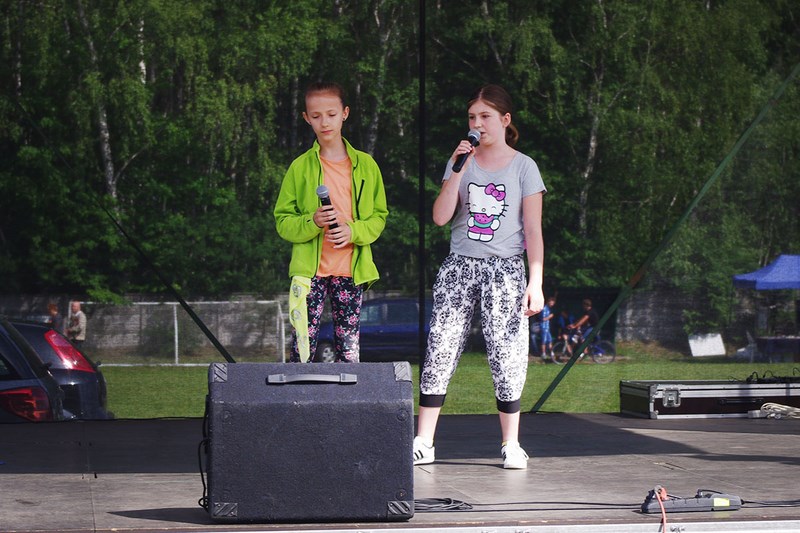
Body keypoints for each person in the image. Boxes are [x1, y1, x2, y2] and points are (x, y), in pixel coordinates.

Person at [413, 84, 546, 469]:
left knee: (507, 354)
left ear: (505, 120)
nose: (477, 124)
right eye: (472, 117)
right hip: (460, 266)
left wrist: (535, 282)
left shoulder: (524, 166)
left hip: (505, 270)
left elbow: (533, 230)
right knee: (440, 346)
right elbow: (440, 217)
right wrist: (457, 169)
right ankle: (424, 441)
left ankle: (511, 444)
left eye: (485, 116)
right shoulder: (461, 161)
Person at [274, 81, 388, 363]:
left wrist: (353, 231)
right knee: (302, 349)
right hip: (308, 274)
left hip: (350, 270)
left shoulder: (367, 165)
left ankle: (347, 394)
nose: (324, 122)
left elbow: (379, 217)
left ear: (345, 113)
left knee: (349, 351)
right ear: (306, 118)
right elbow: (283, 222)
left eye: (331, 114)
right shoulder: (299, 167)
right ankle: (300, 393)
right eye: (316, 116)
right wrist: (312, 221)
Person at [539, 296, 556, 360]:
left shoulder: (549, 309)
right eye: (552, 302)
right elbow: (543, 319)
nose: (552, 304)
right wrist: (550, 316)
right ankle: (543, 353)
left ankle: (551, 352)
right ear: (548, 302)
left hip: (547, 327)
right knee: (544, 340)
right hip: (544, 327)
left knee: (550, 340)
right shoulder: (544, 309)